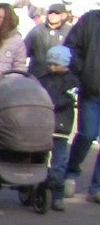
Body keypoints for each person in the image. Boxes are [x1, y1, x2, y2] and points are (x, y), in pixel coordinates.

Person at [61, 5, 100, 203]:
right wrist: (82, 71)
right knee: (87, 134)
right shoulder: (90, 19)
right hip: (92, 89)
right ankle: (70, 172)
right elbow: (71, 47)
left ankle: (97, 187)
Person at [37, 45, 80, 210]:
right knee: (39, 157)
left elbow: (69, 99)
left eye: (55, 64)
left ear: (64, 64)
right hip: (43, 124)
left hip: (61, 125)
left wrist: (51, 104)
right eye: (49, 64)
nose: (52, 67)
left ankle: (57, 194)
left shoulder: (72, 81)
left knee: (59, 162)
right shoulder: (42, 79)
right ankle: (37, 187)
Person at [28, 1, 73, 67]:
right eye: (50, 13)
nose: (53, 15)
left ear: (64, 15)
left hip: (62, 71)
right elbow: (25, 50)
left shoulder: (70, 31)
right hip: (39, 70)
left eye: (56, 13)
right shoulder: (38, 30)